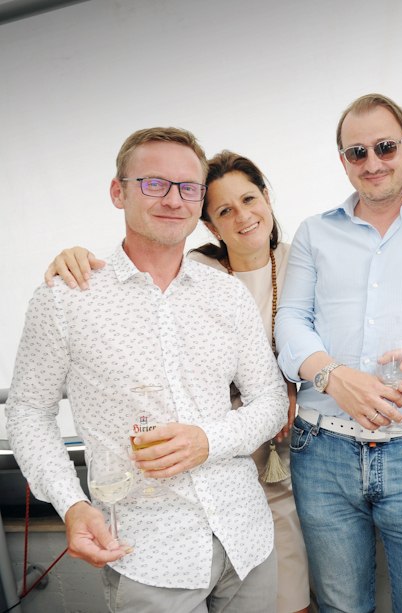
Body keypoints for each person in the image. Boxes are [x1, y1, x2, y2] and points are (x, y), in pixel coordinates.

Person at [6, 127, 288, 612]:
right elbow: (28, 412)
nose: (173, 199)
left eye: (188, 187)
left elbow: (271, 400)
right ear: (119, 192)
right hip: (148, 554)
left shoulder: (226, 294)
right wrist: (71, 504)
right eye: (154, 183)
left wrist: (209, 440)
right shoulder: (65, 299)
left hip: (247, 541)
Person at [274, 93, 402, 613]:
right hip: (321, 451)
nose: (373, 162)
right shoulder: (314, 232)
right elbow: (290, 321)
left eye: (385, 147)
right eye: (357, 153)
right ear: (343, 161)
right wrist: (334, 378)